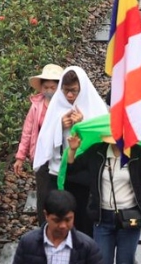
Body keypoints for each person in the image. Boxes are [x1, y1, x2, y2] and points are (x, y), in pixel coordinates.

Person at [66, 131, 141, 264]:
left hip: (130, 217)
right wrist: (72, 150)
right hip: (102, 218)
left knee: (125, 261)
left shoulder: (138, 153)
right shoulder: (96, 152)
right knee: (102, 260)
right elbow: (71, 169)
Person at [33, 66, 108, 234]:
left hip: (84, 175)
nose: (69, 96)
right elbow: (44, 140)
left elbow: (103, 140)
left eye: (74, 91)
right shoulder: (56, 107)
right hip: (58, 172)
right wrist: (59, 126)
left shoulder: (94, 107)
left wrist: (83, 125)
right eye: (66, 91)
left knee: (83, 221)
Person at [13, 65, 64, 218]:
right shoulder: (36, 106)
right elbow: (28, 132)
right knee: (43, 193)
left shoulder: (67, 105)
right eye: (46, 87)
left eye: (53, 87)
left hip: (63, 155)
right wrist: (20, 157)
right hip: (42, 155)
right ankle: (44, 226)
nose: (49, 90)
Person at [12, 189, 103, 264]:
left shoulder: (87, 247)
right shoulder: (28, 243)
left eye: (68, 220)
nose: (63, 226)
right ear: (46, 215)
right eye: (57, 220)